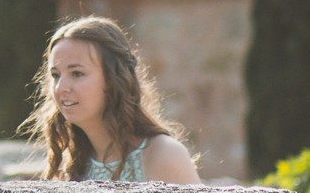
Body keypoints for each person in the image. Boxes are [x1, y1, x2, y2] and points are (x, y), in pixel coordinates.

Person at [26, 16, 199, 184]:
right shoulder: (68, 165)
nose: (61, 87)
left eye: (77, 73)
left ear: (113, 79)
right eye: (55, 75)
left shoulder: (164, 154)